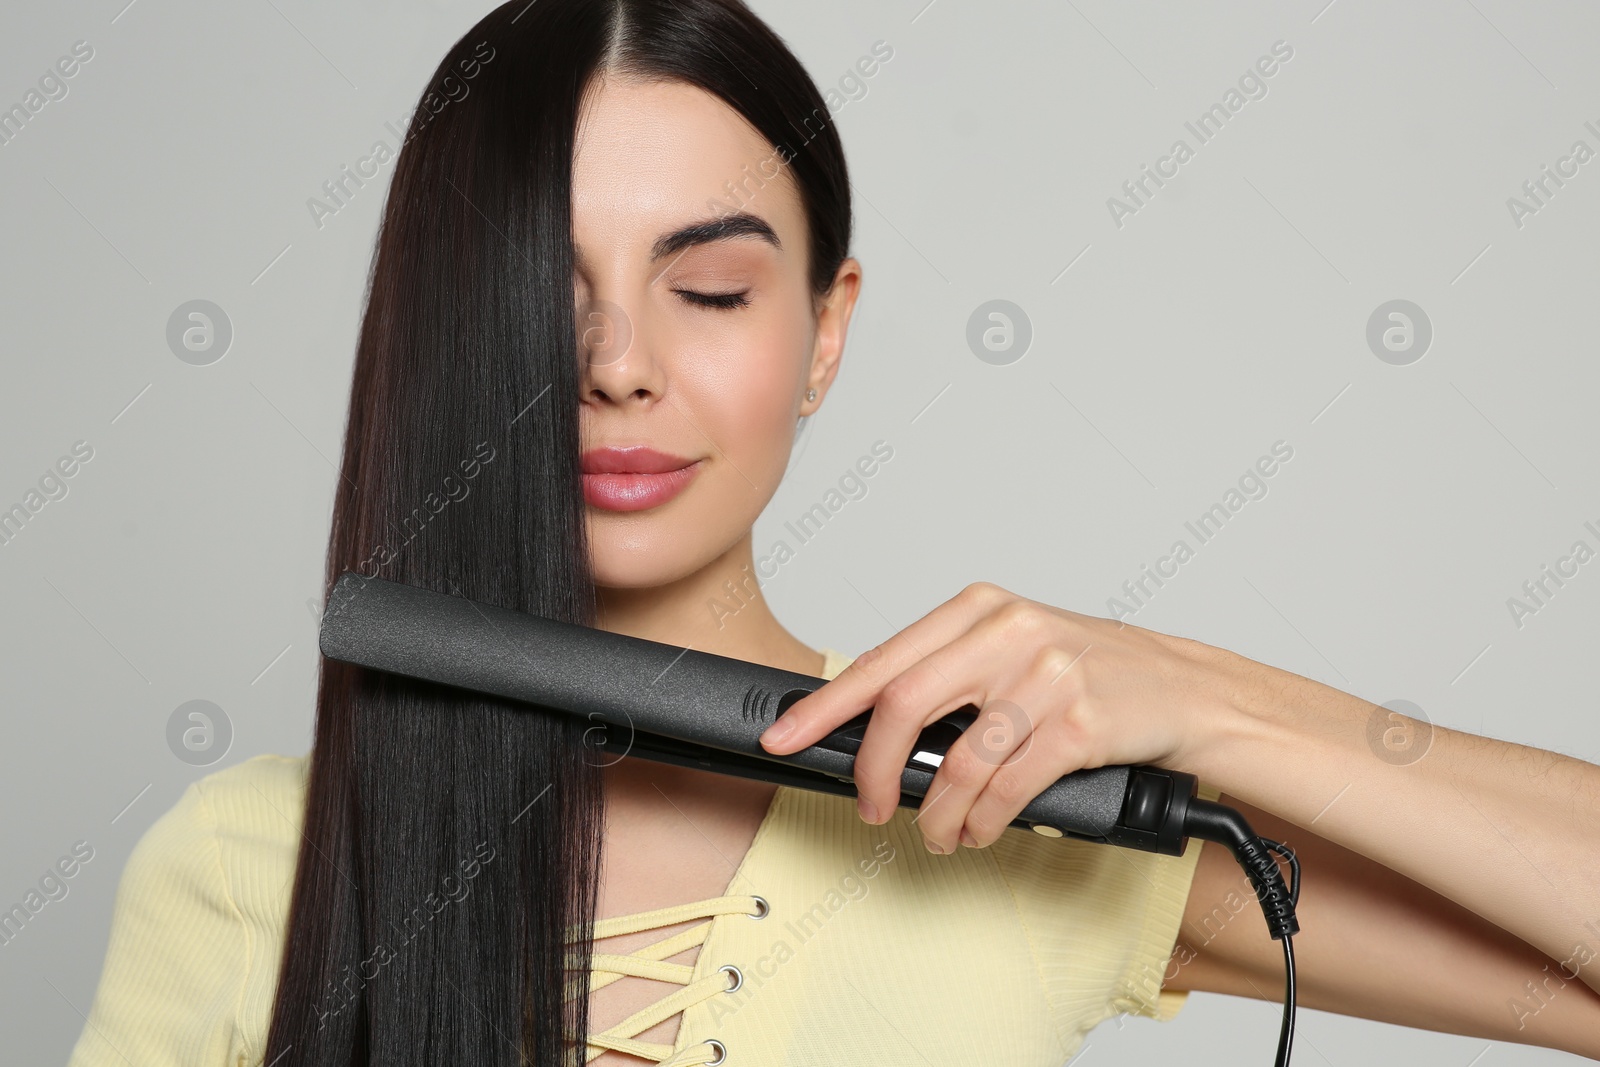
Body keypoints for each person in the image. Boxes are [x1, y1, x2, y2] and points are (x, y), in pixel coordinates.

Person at [66, 0, 1600, 1064]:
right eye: (547, 292)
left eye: (713, 289)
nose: (619, 364)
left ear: (823, 333)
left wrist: (1208, 698)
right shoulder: (238, 866)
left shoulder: (1015, 818)